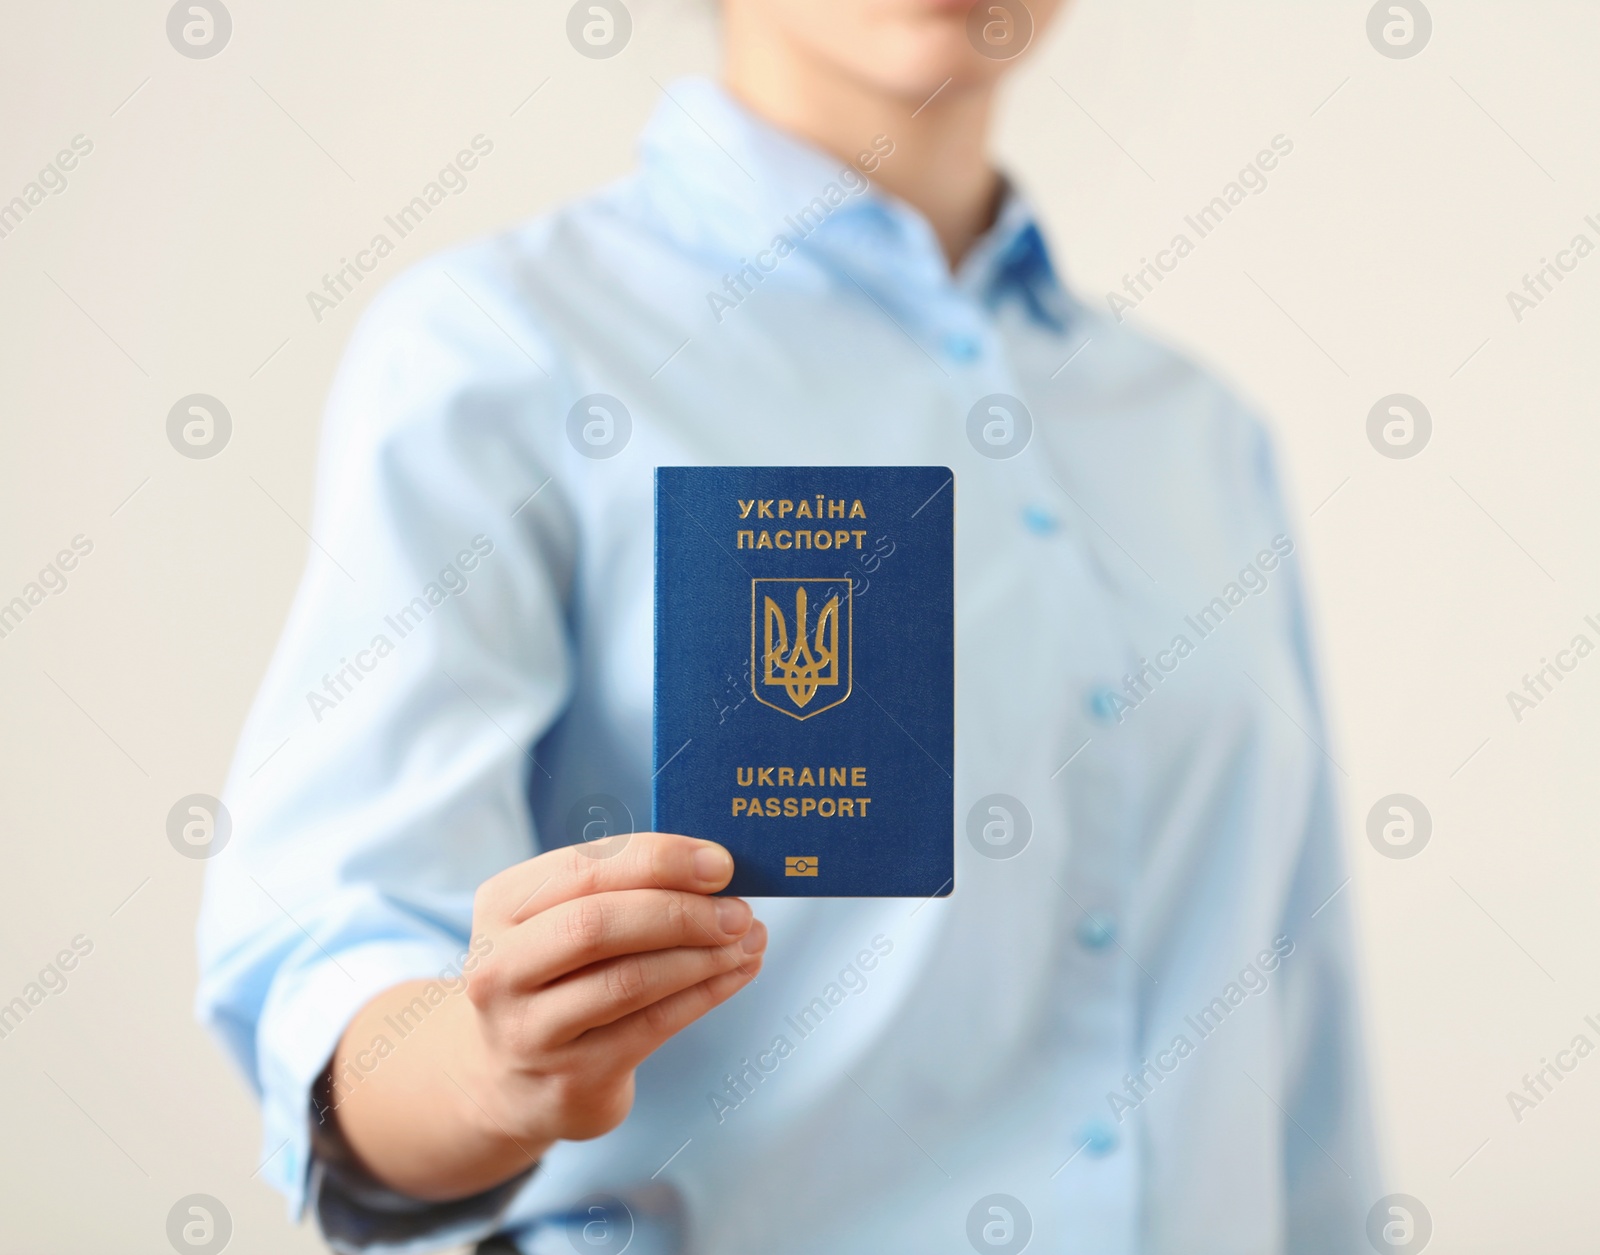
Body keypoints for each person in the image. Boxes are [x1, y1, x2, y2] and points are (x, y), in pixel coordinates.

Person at [197, 1, 1380, 1251]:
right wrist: (492, 1066)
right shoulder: (507, 351)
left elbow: (1296, 1017)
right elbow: (329, 950)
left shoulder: (1196, 433)